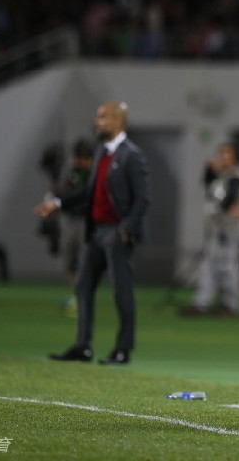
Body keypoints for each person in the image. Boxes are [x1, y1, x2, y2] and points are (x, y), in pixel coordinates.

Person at [33, 101, 150, 365]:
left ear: (118, 121)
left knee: (122, 293)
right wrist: (59, 203)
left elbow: (143, 199)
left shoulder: (132, 155)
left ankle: (123, 350)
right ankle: (83, 346)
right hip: (96, 232)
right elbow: (89, 192)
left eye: (102, 117)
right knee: (83, 287)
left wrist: (125, 229)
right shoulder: (101, 152)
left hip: (117, 233)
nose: (97, 121)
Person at [178, 142, 239, 318]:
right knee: (210, 264)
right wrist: (208, 170)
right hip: (217, 226)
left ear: (235, 158)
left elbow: (229, 201)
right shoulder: (222, 175)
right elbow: (208, 186)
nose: (224, 159)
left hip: (231, 227)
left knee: (228, 266)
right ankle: (202, 302)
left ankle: (231, 305)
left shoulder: (237, 174)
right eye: (222, 155)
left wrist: (228, 206)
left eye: (228, 156)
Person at [51, 138, 95, 316]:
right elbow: (66, 190)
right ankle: (77, 296)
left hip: (88, 221)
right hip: (74, 219)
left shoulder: (94, 173)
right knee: (70, 261)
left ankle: (81, 299)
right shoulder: (75, 172)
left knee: (83, 260)